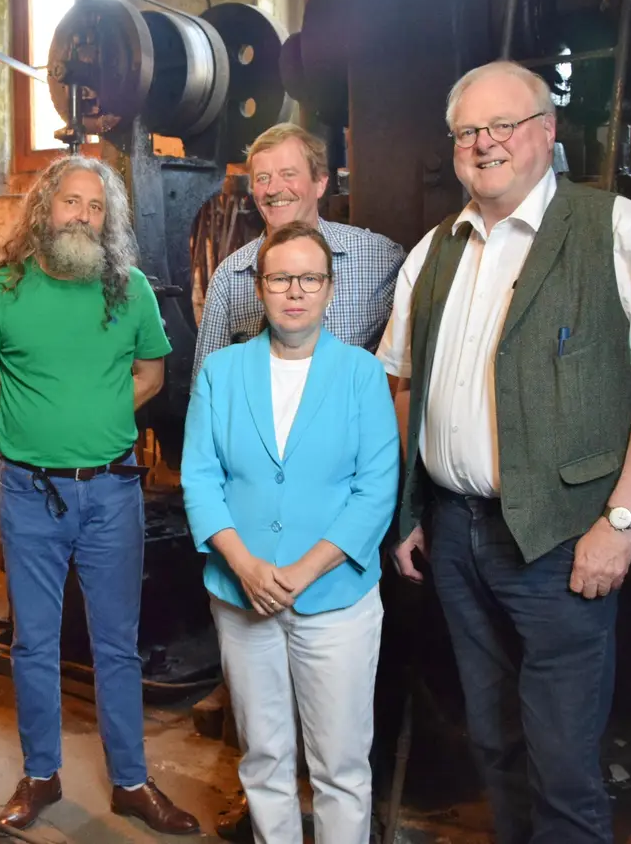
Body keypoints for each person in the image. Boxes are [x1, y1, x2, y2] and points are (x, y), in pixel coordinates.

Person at [379, 60, 631, 843]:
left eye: (504, 125)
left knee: (563, 763)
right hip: (455, 537)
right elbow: (402, 383)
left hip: (562, 540)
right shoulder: (433, 253)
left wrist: (620, 522)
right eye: (468, 131)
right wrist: (412, 511)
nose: (485, 144)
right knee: (493, 741)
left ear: (547, 131)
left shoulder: (613, 229)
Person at [0, 155, 201, 836]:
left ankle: (130, 782)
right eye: (71, 201)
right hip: (31, 494)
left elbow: (152, 373)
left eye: (96, 207)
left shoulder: (130, 293)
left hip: (111, 494)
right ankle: (41, 775)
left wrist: (97, 419)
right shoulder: (1, 291)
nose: (82, 215)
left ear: (110, 219)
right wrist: (24, 420)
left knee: (116, 645)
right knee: (34, 643)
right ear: (44, 208)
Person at [181, 221, 399, 844]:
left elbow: (375, 491)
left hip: (335, 600)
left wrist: (301, 573)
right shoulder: (223, 372)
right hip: (241, 592)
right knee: (265, 755)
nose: (294, 291)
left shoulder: (361, 374)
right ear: (261, 287)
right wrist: (245, 566)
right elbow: (199, 477)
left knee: (341, 767)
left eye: (310, 278)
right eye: (281, 278)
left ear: (330, 289)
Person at [192, 123, 404, 382]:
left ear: (320, 184)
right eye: (262, 178)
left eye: (288, 174)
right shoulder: (230, 278)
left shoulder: (378, 258)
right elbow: (207, 387)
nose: (273, 189)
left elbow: (407, 365)